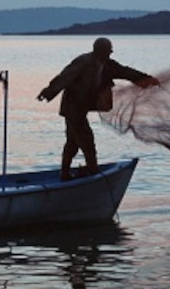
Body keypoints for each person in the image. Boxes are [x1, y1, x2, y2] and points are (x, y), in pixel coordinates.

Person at [38, 37, 159, 181]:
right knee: (86, 140)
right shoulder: (84, 61)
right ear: (98, 51)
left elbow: (126, 72)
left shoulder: (108, 65)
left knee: (73, 142)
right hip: (72, 106)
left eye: (109, 52)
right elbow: (65, 77)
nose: (108, 54)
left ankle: (65, 174)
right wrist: (48, 92)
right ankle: (92, 172)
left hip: (81, 107)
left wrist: (147, 80)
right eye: (106, 51)